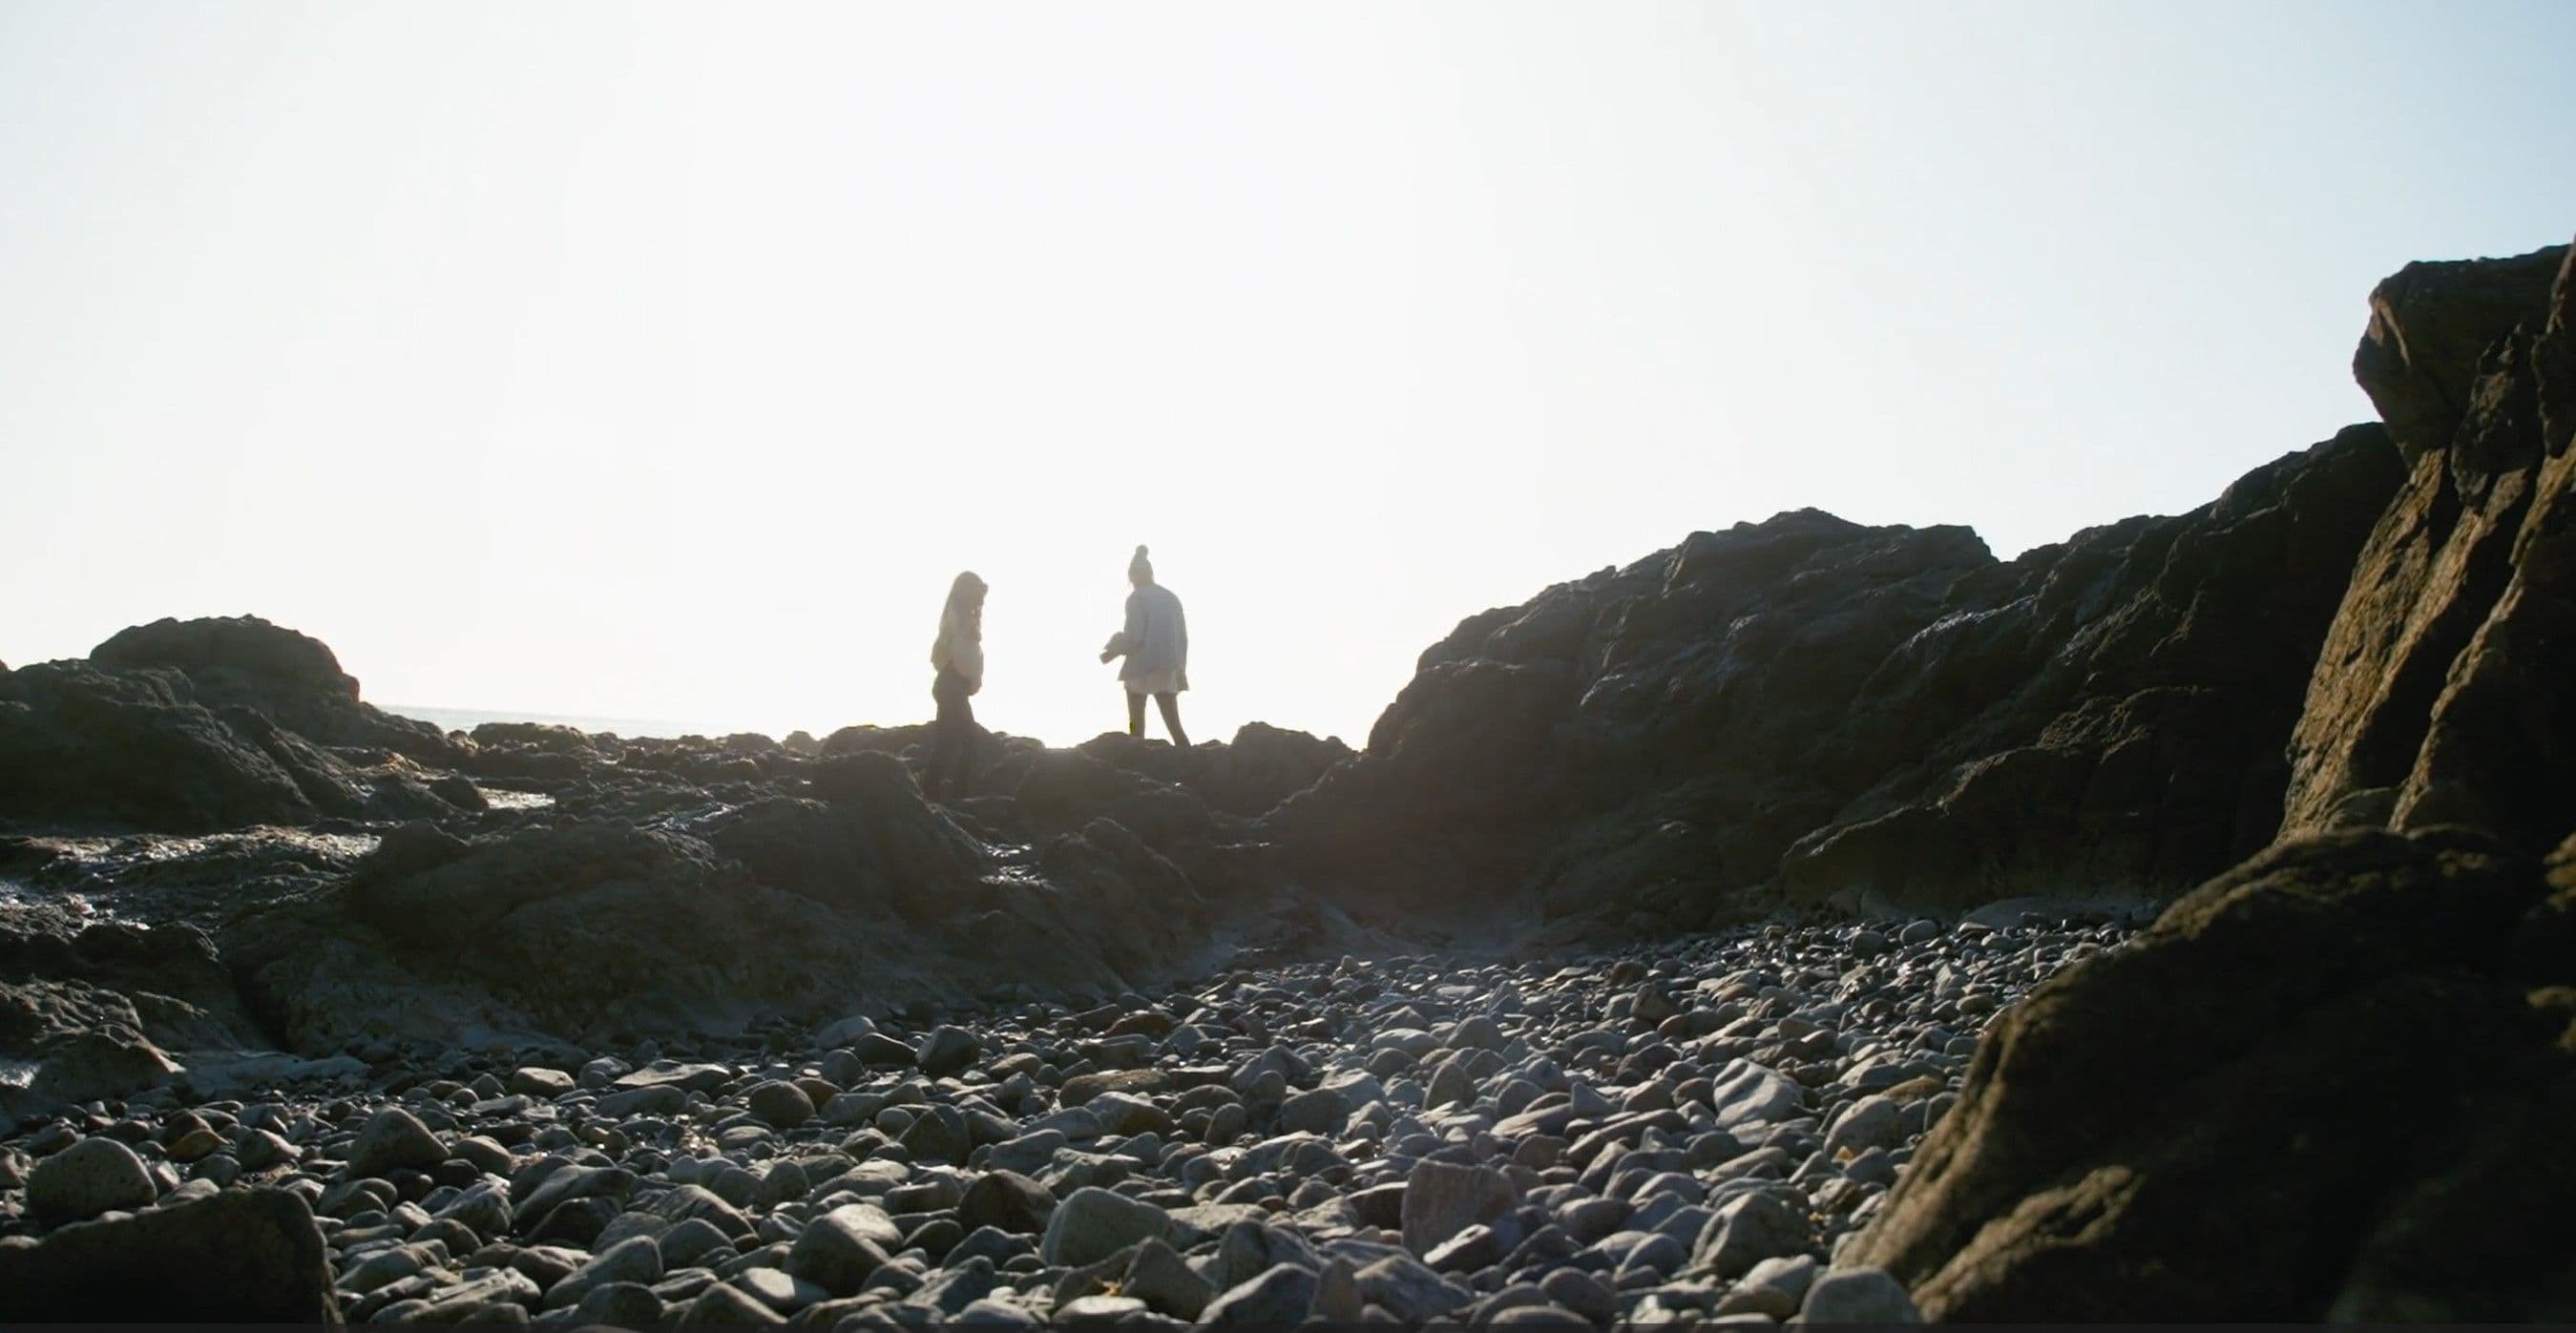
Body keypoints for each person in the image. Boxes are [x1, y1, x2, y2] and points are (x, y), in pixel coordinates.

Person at [1100, 544, 1189, 745]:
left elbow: (1135, 637)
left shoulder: (1136, 598)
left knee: (1136, 724)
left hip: (1142, 666)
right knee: (1175, 726)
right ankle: (1191, 762)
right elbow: (1182, 638)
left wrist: (1112, 652)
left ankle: (1136, 762)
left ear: (1133, 576)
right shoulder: (1171, 598)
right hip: (1168, 666)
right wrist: (1180, 669)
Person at [925, 571, 986, 801]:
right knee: (963, 740)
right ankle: (951, 793)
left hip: (955, 686)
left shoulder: (964, 618)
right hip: (952, 685)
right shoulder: (957, 617)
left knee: (950, 741)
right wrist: (967, 676)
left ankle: (937, 791)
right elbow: (955, 653)